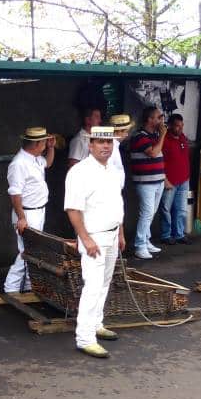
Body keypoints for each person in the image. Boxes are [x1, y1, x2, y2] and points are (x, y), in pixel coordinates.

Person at [65, 126, 126, 359]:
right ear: (90, 145)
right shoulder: (80, 172)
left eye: (109, 142)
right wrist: (86, 238)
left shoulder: (112, 170)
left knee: (104, 282)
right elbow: (73, 208)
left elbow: (117, 203)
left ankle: (96, 324)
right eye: (100, 142)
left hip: (111, 233)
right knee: (92, 285)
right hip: (94, 235)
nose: (105, 146)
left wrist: (120, 233)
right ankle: (85, 338)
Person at [3, 127, 55, 294]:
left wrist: (52, 148)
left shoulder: (36, 158)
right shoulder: (19, 164)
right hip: (27, 213)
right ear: (37, 144)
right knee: (25, 252)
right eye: (45, 142)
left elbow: (48, 163)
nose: (46, 144)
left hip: (38, 210)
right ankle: (10, 289)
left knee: (34, 252)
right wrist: (21, 217)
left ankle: (28, 286)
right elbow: (15, 193)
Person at [129, 106, 166, 259]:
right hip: (145, 182)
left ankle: (146, 239)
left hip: (158, 180)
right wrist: (163, 135)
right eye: (158, 117)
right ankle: (139, 245)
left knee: (151, 213)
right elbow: (153, 152)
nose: (161, 120)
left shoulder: (153, 136)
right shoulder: (139, 136)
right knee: (146, 213)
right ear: (150, 119)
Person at [160, 114, 192, 244]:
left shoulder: (183, 138)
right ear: (170, 126)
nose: (180, 128)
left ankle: (178, 234)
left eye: (181, 125)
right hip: (170, 180)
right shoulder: (164, 140)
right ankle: (166, 235)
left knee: (181, 209)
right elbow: (159, 161)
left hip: (184, 179)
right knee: (166, 208)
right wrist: (164, 178)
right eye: (177, 126)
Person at [109, 113, 133, 188]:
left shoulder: (114, 145)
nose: (127, 135)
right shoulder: (110, 147)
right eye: (125, 132)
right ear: (117, 131)